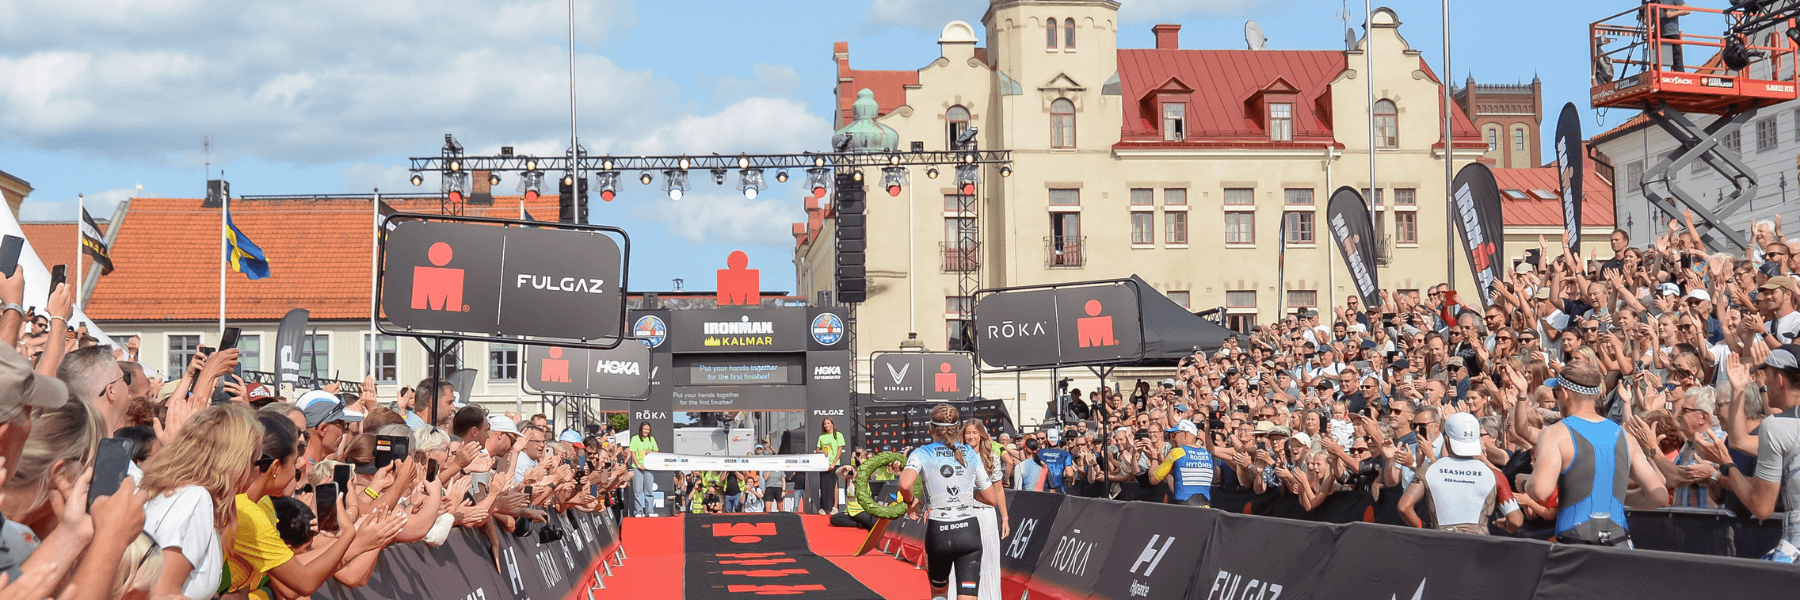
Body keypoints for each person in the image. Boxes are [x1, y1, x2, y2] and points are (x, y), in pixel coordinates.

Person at [1528, 362, 1667, 546]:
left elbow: (1540, 490)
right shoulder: (1624, 436)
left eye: (1555, 393)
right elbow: (1659, 496)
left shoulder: (1555, 433)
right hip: (1619, 541)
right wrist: (1617, 495)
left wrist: (1526, 483)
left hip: (1575, 543)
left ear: (1565, 394)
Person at [141, 404, 261, 600]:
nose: (257, 472)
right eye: (255, 462)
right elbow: (162, 594)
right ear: (233, 462)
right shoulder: (194, 499)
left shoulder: (174, 491)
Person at [900, 404, 1005, 600]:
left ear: (931, 428)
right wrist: (968, 493)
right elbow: (991, 499)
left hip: (938, 530)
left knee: (939, 592)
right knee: (968, 595)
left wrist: (911, 501)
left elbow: (905, 484)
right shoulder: (970, 453)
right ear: (958, 429)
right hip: (969, 531)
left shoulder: (921, 452)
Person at [1397, 412, 1521, 534]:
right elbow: (1516, 520)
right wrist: (1508, 527)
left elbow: (1404, 507)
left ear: (1447, 440)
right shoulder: (1495, 475)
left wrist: (1423, 528)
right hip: (1478, 546)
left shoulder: (1427, 471)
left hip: (1439, 543)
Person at [961, 419, 1007, 600]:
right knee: (963, 560)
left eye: (974, 433)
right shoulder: (956, 456)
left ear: (981, 435)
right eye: (967, 433)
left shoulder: (992, 456)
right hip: (964, 513)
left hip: (986, 513)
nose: (971, 436)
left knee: (988, 559)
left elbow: (999, 490)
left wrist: (1004, 518)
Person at [1147, 419, 1219, 507]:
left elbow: (1153, 479)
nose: (1172, 439)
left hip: (1184, 510)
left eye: (1174, 434)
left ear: (1185, 434)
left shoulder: (1177, 452)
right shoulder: (1207, 454)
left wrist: (1154, 458)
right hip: (1206, 509)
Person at [629, 423, 659, 517]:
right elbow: (632, 452)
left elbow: (656, 451)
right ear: (641, 429)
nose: (646, 431)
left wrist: (649, 452)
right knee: (638, 490)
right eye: (644, 429)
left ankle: (650, 511)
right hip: (637, 467)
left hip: (649, 467)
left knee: (649, 489)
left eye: (648, 429)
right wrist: (638, 464)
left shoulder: (651, 439)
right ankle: (638, 511)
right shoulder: (635, 438)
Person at [817, 418, 846, 514]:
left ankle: (835, 507)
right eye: (825, 424)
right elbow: (818, 450)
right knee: (823, 485)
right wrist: (822, 451)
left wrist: (834, 463)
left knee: (834, 485)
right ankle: (824, 508)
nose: (826, 425)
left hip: (835, 464)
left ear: (832, 424)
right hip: (824, 464)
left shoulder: (838, 435)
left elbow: (840, 451)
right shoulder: (822, 437)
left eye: (828, 423)